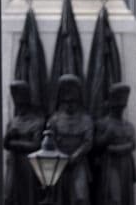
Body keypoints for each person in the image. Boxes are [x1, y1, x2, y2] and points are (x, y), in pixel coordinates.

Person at [48, 74, 93, 205]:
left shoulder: (86, 119)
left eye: (73, 101)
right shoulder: (54, 119)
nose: (69, 105)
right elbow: (50, 140)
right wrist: (61, 156)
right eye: (66, 102)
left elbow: (88, 142)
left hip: (78, 163)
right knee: (59, 199)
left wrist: (74, 156)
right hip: (59, 163)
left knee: (81, 197)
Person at [92, 83, 136, 205]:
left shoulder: (128, 126)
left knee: (125, 196)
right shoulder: (103, 124)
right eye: (117, 107)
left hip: (126, 164)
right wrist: (106, 137)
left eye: (122, 107)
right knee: (113, 198)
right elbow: (95, 144)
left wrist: (115, 149)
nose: (120, 110)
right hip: (110, 164)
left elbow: (133, 144)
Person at [4, 80, 45, 205]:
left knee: (29, 197)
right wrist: (9, 136)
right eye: (17, 104)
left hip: (29, 165)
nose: (19, 107)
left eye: (22, 105)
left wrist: (14, 144)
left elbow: (36, 145)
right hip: (13, 164)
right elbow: (5, 144)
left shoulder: (37, 121)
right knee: (9, 196)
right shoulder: (13, 122)